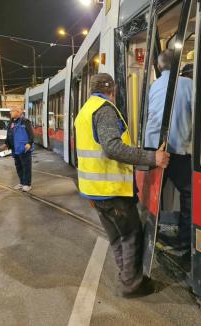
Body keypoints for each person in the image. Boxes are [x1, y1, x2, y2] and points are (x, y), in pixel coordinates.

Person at [75, 73, 170, 297]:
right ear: (113, 90)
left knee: (117, 237)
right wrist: (151, 158)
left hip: (95, 190)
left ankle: (125, 275)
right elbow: (113, 148)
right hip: (111, 190)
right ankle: (132, 284)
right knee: (131, 235)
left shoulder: (85, 111)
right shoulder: (105, 110)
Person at [144, 49, 193, 254]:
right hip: (176, 149)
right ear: (179, 65)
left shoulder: (154, 85)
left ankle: (146, 235)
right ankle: (184, 239)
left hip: (152, 148)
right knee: (189, 194)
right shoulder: (189, 84)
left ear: (160, 66)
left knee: (151, 194)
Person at [4, 107, 34, 192]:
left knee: (26, 167)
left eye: (12, 111)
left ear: (19, 112)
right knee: (19, 166)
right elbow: (9, 133)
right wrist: (7, 143)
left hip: (23, 147)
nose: (10, 113)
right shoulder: (11, 121)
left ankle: (27, 184)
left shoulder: (25, 121)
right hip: (14, 148)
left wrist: (29, 143)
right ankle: (21, 182)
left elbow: (31, 134)